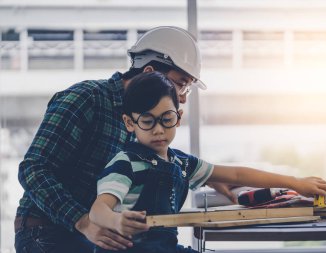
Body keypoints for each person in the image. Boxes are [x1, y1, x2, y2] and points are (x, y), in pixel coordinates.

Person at [14, 26, 234, 253]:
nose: (182, 98)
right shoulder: (86, 98)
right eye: (180, 84)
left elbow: (156, 164)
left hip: (95, 233)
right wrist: (83, 222)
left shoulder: (140, 122)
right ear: (149, 73)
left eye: (187, 88)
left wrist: (206, 177)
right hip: (47, 232)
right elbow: (33, 169)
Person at [88, 71, 326, 253]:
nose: (159, 130)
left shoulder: (181, 163)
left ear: (179, 117)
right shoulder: (125, 163)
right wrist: (116, 221)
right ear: (129, 123)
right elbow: (98, 210)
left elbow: (236, 175)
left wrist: (296, 182)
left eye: (166, 118)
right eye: (147, 121)